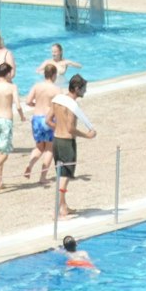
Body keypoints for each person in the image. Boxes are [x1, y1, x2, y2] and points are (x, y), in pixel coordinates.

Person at [51, 75, 97, 218]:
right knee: (65, 177)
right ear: (77, 88)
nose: (85, 91)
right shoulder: (72, 106)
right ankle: (57, 210)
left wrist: (59, 128)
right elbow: (71, 128)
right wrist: (87, 135)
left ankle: (64, 208)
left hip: (56, 140)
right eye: (84, 88)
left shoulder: (57, 99)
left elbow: (48, 120)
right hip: (67, 143)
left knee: (61, 175)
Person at [23, 62, 61, 184]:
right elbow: (60, 106)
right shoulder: (56, 89)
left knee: (39, 147)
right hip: (49, 119)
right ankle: (42, 177)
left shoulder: (37, 86)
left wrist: (37, 104)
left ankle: (30, 164)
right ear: (54, 75)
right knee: (49, 149)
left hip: (37, 118)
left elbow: (28, 101)